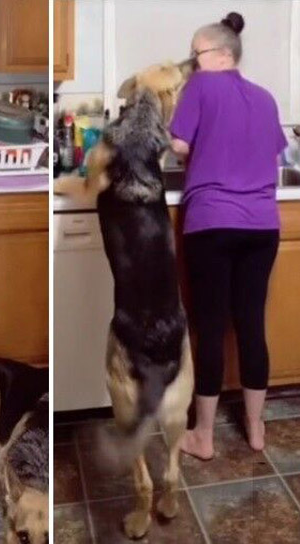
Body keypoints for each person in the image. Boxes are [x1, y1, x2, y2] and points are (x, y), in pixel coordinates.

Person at [170, 12, 287, 459]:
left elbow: (179, 145)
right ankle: (256, 428)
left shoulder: (200, 86)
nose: (191, 63)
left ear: (222, 54)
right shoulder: (266, 97)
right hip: (262, 226)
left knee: (211, 327)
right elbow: (272, 155)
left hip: (213, 223)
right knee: (251, 324)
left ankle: (203, 436)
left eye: (195, 54)